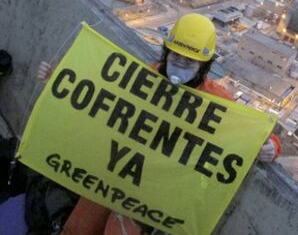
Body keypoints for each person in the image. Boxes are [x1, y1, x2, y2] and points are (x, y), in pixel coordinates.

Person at [37, 14, 282, 234]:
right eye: (176, 56)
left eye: (189, 62)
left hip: (156, 190)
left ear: (203, 66)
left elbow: (252, 130)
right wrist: (58, 78)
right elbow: (102, 96)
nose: (180, 65)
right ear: (166, 53)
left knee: (119, 230)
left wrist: (271, 146)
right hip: (116, 171)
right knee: (80, 225)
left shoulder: (215, 99)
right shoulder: (146, 77)